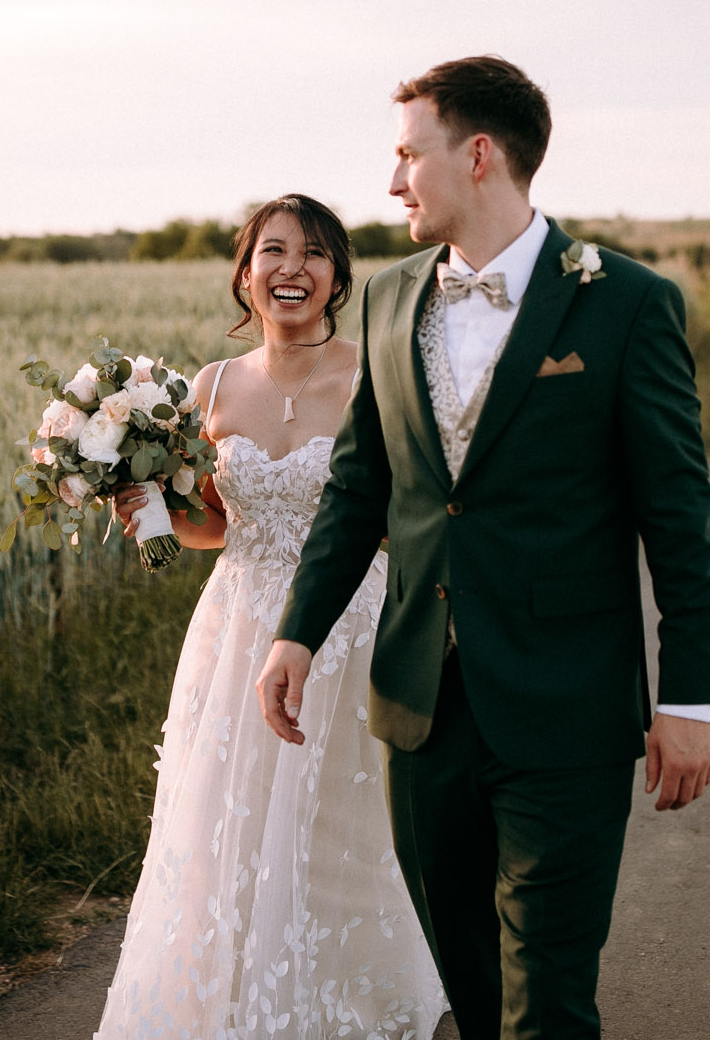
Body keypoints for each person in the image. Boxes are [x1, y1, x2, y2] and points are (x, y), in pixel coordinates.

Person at [256, 57, 710, 1039]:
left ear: (477, 154)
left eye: (408, 156)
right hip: (420, 707)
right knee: (471, 992)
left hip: (567, 709)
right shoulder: (389, 300)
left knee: (546, 1000)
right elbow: (358, 488)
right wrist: (297, 630)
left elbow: (676, 513)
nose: (393, 182)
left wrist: (692, 694)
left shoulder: (624, 303)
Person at [93, 195, 448, 1040]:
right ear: (246, 274)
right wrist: (148, 513)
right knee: (235, 822)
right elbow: (215, 525)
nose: (294, 268)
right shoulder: (210, 386)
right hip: (237, 626)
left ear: (337, 278)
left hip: (351, 624)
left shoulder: (373, 375)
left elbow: (413, 511)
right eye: (274, 252)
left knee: (343, 826)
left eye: (315, 253)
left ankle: (355, 998)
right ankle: (237, 998)